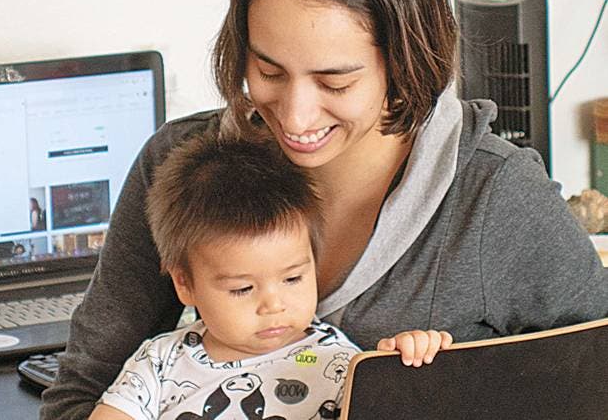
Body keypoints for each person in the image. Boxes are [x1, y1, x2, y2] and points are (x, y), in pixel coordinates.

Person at [41, 0, 607, 418]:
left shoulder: (492, 192)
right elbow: (83, 390)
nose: (295, 116)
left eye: (335, 82)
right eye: (268, 71)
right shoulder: (183, 165)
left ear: (405, 62)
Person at [88, 134, 452, 420]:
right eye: (243, 288)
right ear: (184, 284)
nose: (273, 305)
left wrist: (402, 369)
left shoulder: (339, 364)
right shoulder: (160, 363)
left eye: (292, 279)